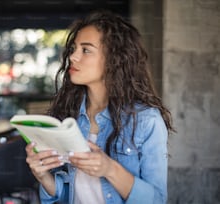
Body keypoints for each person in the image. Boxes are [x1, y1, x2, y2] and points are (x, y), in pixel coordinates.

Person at [25, 9, 174, 204]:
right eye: (73, 49)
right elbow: (68, 194)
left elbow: (157, 200)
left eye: (85, 50)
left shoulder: (147, 121)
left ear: (114, 59)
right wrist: (43, 176)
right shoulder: (68, 117)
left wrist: (110, 169)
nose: (73, 57)